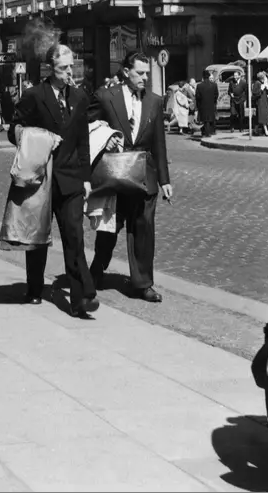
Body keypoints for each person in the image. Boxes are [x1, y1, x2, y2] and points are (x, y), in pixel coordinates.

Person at [11, 42, 98, 316]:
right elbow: (17, 128)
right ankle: (34, 287)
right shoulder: (34, 95)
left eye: (71, 66)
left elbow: (83, 140)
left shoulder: (80, 96)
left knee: (74, 236)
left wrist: (86, 178)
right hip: (41, 176)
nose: (69, 72)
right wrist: (41, 140)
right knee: (38, 236)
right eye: (63, 68)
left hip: (71, 177)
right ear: (50, 68)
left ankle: (81, 297)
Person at [87, 51, 173, 302]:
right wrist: (106, 137)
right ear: (126, 72)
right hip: (115, 174)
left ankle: (142, 283)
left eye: (147, 73)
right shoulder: (105, 97)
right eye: (140, 73)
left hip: (144, 176)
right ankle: (97, 270)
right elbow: (87, 126)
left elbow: (159, 142)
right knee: (109, 228)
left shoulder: (155, 101)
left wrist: (165, 180)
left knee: (144, 230)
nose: (145, 77)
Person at [194, 69, 219, 138]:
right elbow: (216, 95)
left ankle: (207, 133)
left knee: (205, 120)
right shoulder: (214, 85)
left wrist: (199, 105)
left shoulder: (199, 86)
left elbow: (197, 97)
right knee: (210, 119)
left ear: (203, 77)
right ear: (208, 76)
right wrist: (213, 102)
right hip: (211, 105)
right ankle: (208, 132)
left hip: (203, 105)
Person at [253, 69, 268, 138]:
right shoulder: (257, 83)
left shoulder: (264, 83)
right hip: (260, 102)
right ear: (261, 78)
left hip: (265, 102)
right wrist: (261, 89)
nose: (266, 79)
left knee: (263, 117)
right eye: (264, 78)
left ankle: (257, 131)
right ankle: (266, 131)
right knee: (263, 118)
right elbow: (255, 93)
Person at [228, 69, 248, 134]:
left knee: (241, 115)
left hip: (240, 100)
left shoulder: (243, 82)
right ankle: (232, 127)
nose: (235, 77)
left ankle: (241, 128)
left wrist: (244, 99)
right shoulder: (231, 82)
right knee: (233, 114)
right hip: (233, 100)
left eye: (236, 75)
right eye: (234, 75)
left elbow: (246, 91)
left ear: (239, 76)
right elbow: (229, 91)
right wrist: (230, 93)